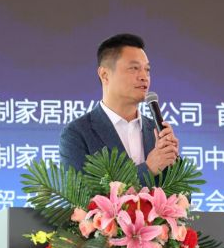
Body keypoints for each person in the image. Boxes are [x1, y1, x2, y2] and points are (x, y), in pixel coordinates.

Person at [59, 33, 179, 181]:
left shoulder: (156, 130)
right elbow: (79, 192)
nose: (144, 76)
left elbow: (179, 186)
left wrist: (173, 160)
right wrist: (148, 169)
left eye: (147, 70)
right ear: (104, 74)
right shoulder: (77, 133)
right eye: (134, 68)